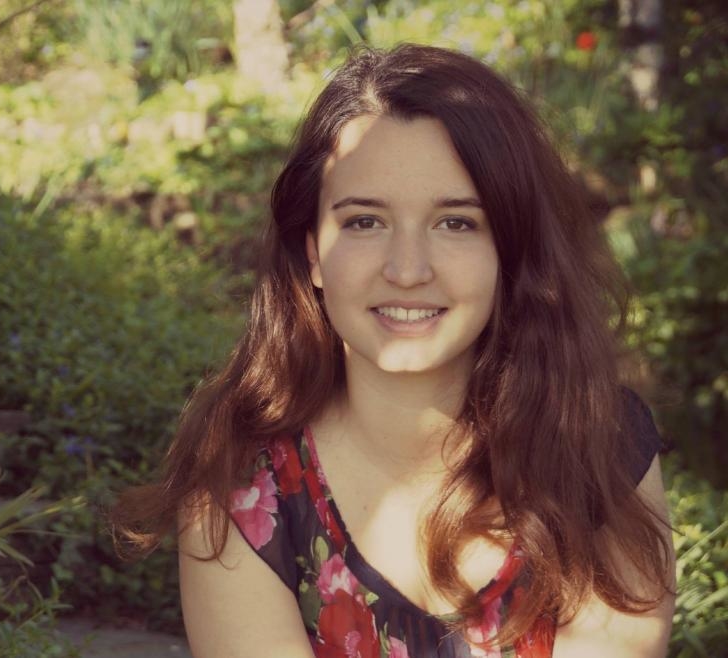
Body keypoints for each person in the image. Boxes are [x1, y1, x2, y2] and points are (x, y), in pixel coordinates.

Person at [113, 44, 675, 658]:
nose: (407, 270)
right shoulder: (240, 490)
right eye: (365, 221)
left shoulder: (600, 444)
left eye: (456, 223)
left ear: (510, 250)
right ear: (313, 252)